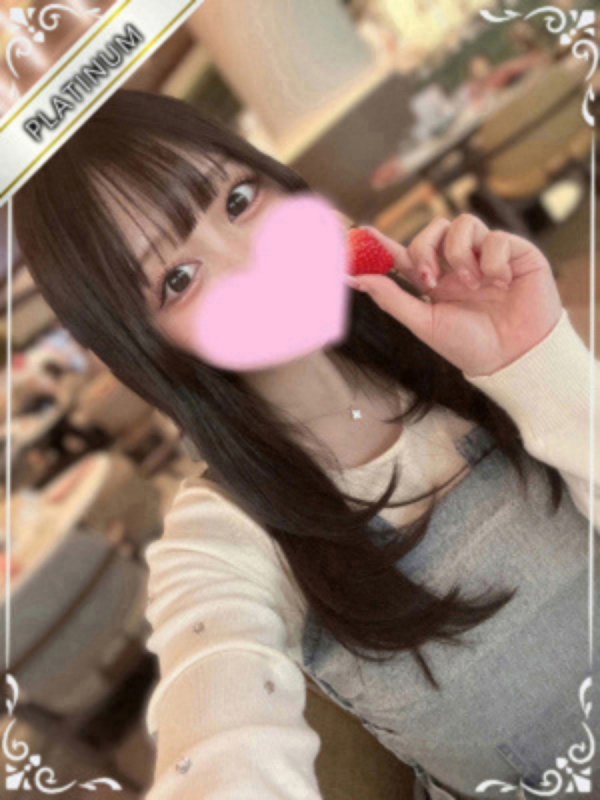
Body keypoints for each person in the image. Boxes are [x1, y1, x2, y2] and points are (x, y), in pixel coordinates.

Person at [13, 89, 599, 800]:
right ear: (148, 350)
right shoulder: (219, 541)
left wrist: (536, 362)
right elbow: (219, 735)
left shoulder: (471, 332)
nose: (252, 260)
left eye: (238, 200)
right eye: (177, 279)